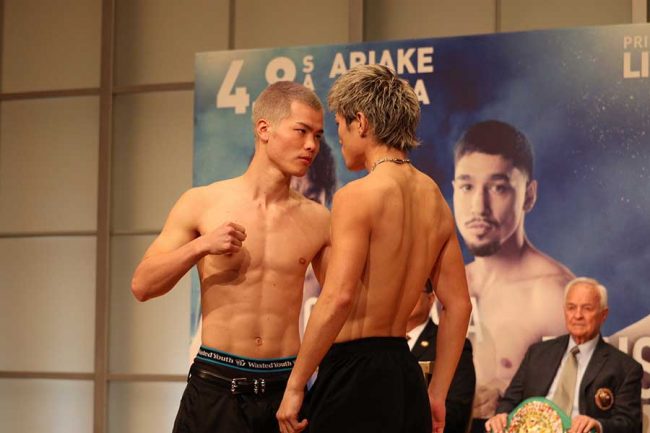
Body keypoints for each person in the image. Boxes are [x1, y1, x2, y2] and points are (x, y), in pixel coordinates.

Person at [276, 64, 472, 433]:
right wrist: (437, 393)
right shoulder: (435, 199)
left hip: (354, 377)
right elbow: (459, 305)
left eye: (339, 125)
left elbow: (338, 297)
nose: (339, 139)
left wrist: (296, 384)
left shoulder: (357, 196)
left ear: (361, 122)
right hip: (405, 376)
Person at [131, 81, 330, 433]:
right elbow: (143, 285)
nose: (311, 145)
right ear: (264, 129)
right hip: (216, 387)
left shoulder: (319, 220)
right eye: (301, 131)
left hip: (284, 391)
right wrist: (201, 246)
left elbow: (339, 304)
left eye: (317, 135)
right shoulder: (202, 202)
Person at [451, 120, 575, 426]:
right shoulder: (446, 286)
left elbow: (573, 408)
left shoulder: (552, 294)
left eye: (498, 187)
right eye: (467, 186)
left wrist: (508, 402)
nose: (478, 207)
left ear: (529, 195)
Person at [484, 277, 643, 433]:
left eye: (587, 308)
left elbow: (630, 424)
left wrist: (598, 425)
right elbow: (510, 401)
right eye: (571, 308)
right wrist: (501, 415)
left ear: (603, 314)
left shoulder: (625, 368)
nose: (578, 315)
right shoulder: (537, 353)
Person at [408, 279, 476, 433]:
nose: (406, 298)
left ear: (431, 299)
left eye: (413, 290)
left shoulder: (449, 344)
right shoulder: (382, 344)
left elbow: (457, 409)